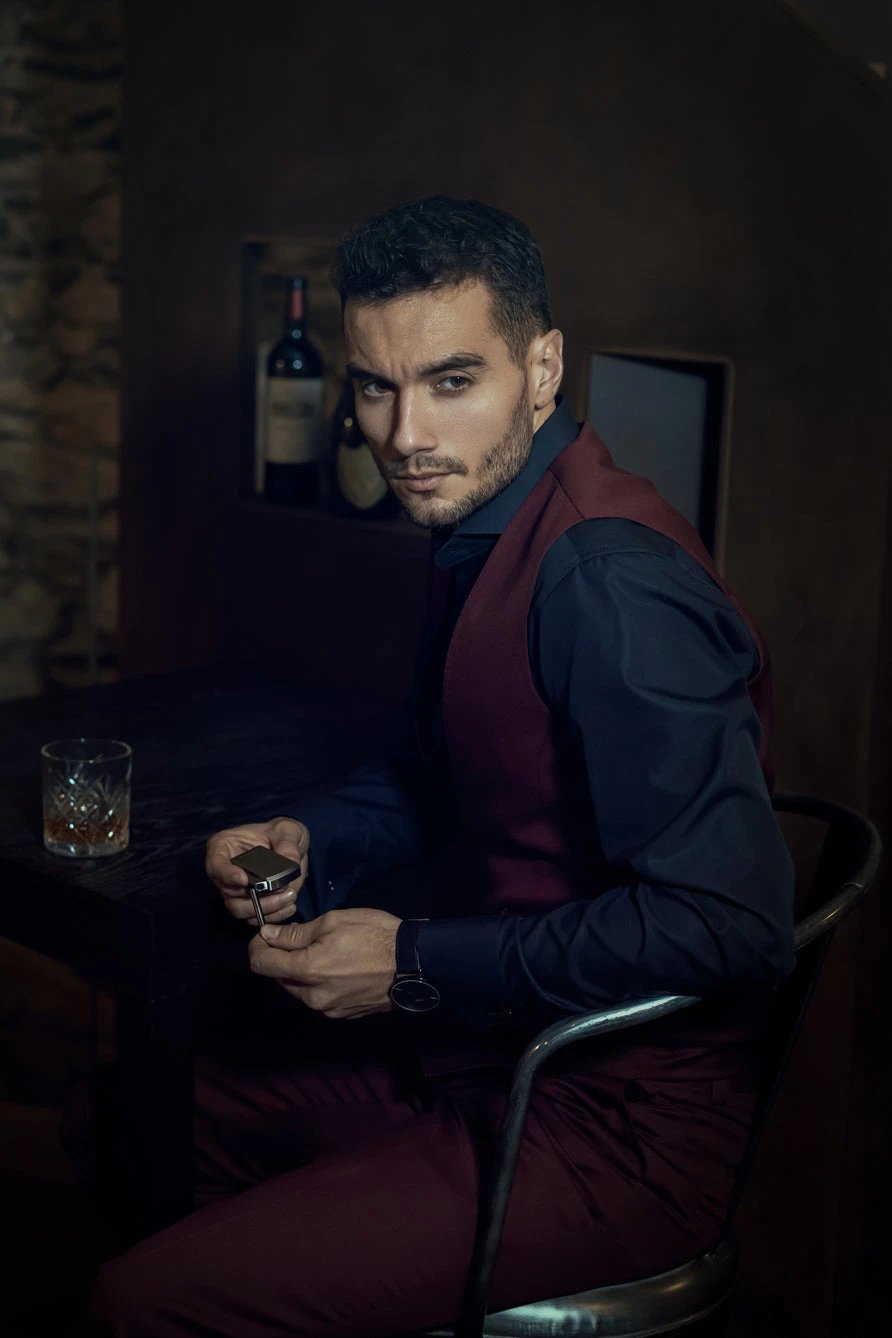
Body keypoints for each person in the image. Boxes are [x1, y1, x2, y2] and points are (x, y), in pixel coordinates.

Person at [90, 196, 795, 1337]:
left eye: (452, 381)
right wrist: (311, 836)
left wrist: (412, 961)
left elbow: (731, 924)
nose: (405, 435)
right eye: (376, 387)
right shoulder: (484, 521)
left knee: (139, 1303)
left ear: (542, 368)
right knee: (144, 1114)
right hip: (482, 1053)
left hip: (610, 1128)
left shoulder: (606, 585)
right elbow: (440, 767)